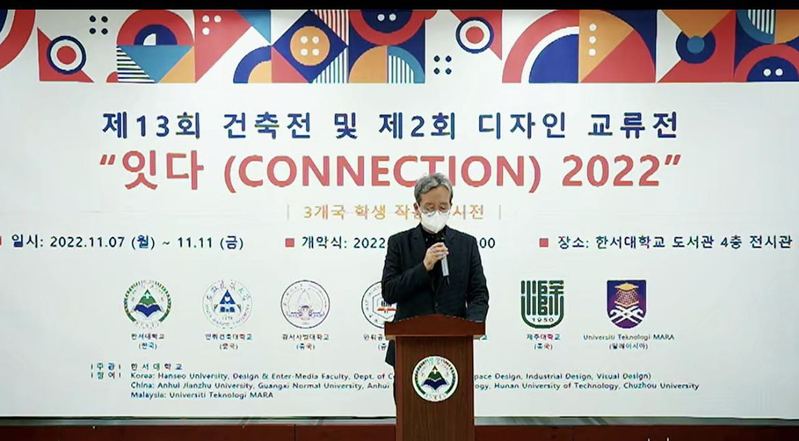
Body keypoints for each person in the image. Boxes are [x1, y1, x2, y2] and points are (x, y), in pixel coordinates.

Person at [380, 172, 489, 403]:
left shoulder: (467, 244)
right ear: (416, 208)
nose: (437, 212)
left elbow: (478, 293)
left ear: (451, 206)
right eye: (429, 208)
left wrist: (473, 325)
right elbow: (389, 291)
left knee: (453, 413)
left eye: (443, 207)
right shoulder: (399, 243)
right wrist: (424, 267)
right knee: (411, 413)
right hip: (409, 347)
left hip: (455, 347)